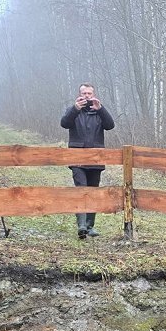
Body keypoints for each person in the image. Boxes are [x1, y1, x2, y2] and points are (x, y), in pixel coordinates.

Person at [59, 83, 116, 239]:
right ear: (79, 94)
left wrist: (101, 109)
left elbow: (110, 125)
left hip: (96, 158)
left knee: (93, 191)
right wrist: (75, 109)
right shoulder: (73, 111)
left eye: (89, 93)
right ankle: (81, 225)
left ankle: (90, 226)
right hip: (77, 157)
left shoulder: (99, 111)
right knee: (81, 189)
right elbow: (64, 123)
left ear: (94, 94)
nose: (87, 96)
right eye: (84, 93)